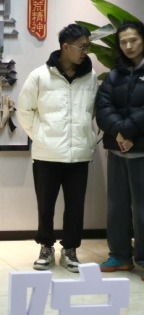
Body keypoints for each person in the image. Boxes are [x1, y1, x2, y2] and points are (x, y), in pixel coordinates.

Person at [17, 24, 98, 273]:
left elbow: (93, 112)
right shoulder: (40, 75)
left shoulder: (91, 77)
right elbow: (24, 110)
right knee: (45, 206)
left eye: (87, 47)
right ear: (65, 47)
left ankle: (70, 249)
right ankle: (46, 247)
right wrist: (41, 137)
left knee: (75, 206)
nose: (85, 52)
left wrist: (85, 136)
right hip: (47, 155)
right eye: (81, 47)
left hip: (79, 156)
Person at [95, 20, 144, 277]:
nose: (128, 46)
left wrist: (129, 131)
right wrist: (119, 132)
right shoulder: (115, 73)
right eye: (123, 42)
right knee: (116, 206)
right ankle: (120, 255)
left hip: (141, 151)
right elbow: (103, 106)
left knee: (143, 208)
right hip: (118, 150)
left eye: (133, 40)